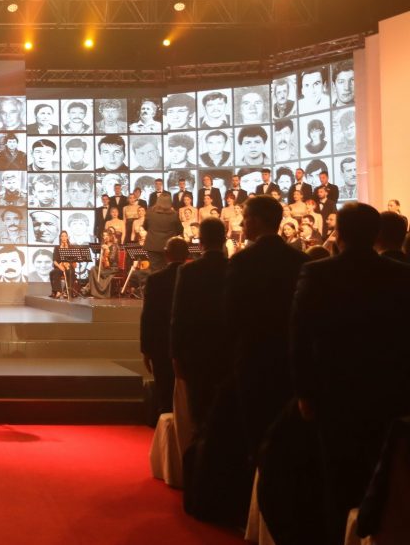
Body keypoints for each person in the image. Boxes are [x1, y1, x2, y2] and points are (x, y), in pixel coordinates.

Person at [291, 203, 410, 542]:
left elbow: (300, 336)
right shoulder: (401, 274)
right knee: (382, 470)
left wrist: (304, 392)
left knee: (337, 475)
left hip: (334, 389)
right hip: (388, 387)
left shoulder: (317, 272)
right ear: (376, 234)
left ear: (338, 233)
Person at [224, 195, 308, 457]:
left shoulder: (242, 261)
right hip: (289, 357)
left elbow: (232, 315)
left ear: (257, 221)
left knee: (254, 428)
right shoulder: (300, 260)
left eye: (245, 218)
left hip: (253, 356)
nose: (242, 223)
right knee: (289, 436)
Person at [170, 218, 229, 428]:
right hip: (227, 348)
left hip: (196, 349)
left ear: (200, 241)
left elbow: (179, 315)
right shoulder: (234, 267)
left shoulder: (189, 270)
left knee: (199, 410)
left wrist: (176, 354)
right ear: (224, 239)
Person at [140, 236, 189, 415]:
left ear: (166, 254)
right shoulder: (194, 277)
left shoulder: (155, 279)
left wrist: (146, 349)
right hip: (188, 343)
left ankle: (164, 425)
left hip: (161, 343)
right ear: (187, 255)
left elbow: (148, 316)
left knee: (165, 392)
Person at [143, 194, 183, 271]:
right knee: (169, 270)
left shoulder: (150, 213)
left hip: (153, 245)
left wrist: (153, 232)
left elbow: (145, 227)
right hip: (169, 247)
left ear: (158, 201)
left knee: (154, 270)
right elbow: (180, 230)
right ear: (170, 202)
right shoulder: (174, 215)